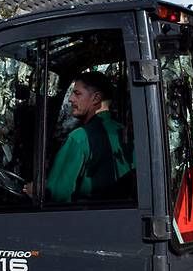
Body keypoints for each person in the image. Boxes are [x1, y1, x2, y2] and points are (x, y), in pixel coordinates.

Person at [44, 71, 134, 202]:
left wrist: (37, 191)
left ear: (96, 98)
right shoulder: (123, 133)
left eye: (77, 93)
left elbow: (57, 194)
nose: (70, 99)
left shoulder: (79, 138)